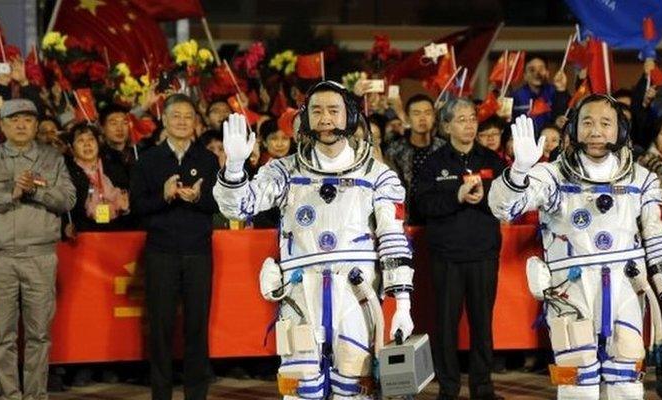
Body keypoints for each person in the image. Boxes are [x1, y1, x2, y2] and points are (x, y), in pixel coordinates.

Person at [214, 81, 415, 399]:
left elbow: (393, 238)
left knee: (354, 382)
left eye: (334, 111)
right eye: (317, 111)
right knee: (300, 384)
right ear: (305, 118)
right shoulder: (282, 171)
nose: (325, 119)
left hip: (357, 292)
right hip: (299, 291)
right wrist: (236, 168)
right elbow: (239, 205)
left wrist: (403, 304)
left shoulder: (378, 175)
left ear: (349, 116)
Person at [489, 95, 662, 399]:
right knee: (577, 380)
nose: (595, 131)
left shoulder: (641, 179)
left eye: (605, 123)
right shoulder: (552, 176)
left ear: (620, 131)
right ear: (573, 129)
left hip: (626, 289)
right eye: (587, 122)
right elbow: (503, 208)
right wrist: (519, 171)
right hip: (570, 292)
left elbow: (657, 236)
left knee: (626, 378)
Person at [0, 98, 76, 400]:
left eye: (27, 119)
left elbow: (68, 199)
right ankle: (9, 395)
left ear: (36, 124)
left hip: (40, 256)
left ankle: (36, 395)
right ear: (2, 125)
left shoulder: (52, 159)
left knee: (39, 335)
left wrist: (36, 191)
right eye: (14, 120)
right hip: (0, 257)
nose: (21, 124)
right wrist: (10, 192)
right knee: (3, 335)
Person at [414, 98, 506, 400]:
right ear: (447, 125)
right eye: (462, 119)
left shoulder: (493, 161)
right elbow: (423, 205)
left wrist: (485, 196)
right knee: (446, 325)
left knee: (483, 324)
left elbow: (508, 201)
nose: (469, 124)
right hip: (447, 256)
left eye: (472, 118)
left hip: (483, 254)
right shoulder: (433, 163)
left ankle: (483, 387)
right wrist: (457, 195)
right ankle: (449, 387)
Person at [129, 94, 220, 400]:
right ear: (164, 121)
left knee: (196, 327)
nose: (182, 122)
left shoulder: (207, 160)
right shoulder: (148, 160)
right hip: (161, 253)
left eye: (188, 116)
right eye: (176, 116)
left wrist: (198, 199)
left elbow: (219, 203)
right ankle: (161, 394)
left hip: (198, 253)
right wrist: (163, 196)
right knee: (161, 329)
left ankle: (196, 394)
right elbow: (137, 208)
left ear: (196, 123)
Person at [384, 94, 445, 224]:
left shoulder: (444, 149)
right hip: (405, 218)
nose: (422, 118)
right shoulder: (395, 151)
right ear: (407, 118)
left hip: (438, 218)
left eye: (428, 113)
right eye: (416, 113)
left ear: (434, 117)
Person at [65, 123, 131, 233]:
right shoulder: (68, 173)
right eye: (81, 141)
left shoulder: (115, 167)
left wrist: (125, 207)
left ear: (98, 143)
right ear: (71, 148)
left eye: (91, 139)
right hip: (85, 233)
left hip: (118, 231)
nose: (87, 144)